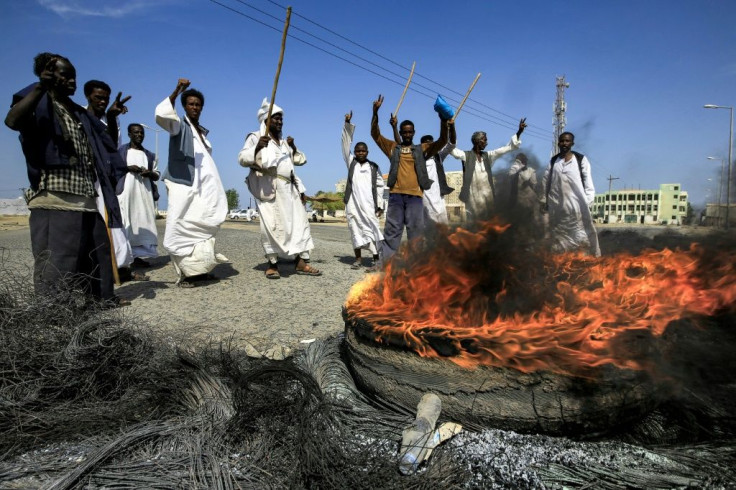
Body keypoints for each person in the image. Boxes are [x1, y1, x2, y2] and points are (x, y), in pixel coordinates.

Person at [5, 53, 129, 306]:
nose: (72, 81)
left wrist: (113, 118)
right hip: (56, 197)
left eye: (74, 76)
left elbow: (106, 143)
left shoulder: (77, 113)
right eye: (65, 75)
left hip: (85, 197)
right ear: (47, 74)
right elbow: (12, 121)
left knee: (96, 256)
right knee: (57, 260)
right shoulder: (38, 100)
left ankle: (99, 303)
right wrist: (41, 86)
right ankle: (54, 314)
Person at [155, 78, 229, 288]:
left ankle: (201, 270)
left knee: (204, 223)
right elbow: (162, 114)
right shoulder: (178, 125)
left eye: (198, 104)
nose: (195, 107)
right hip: (184, 184)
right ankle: (187, 274)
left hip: (204, 188)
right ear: (184, 106)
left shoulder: (202, 133)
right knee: (183, 223)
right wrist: (177, 90)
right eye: (191, 104)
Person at [238, 98, 321, 279]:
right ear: (265, 121)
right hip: (270, 188)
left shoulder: (284, 143)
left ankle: (301, 262)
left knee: (299, 225)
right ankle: (273, 264)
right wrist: (257, 148)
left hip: (290, 189)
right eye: (275, 118)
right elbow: (242, 158)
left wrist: (300, 190)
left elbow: (298, 161)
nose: (279, 122)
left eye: (281, 119)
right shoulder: (254, 137)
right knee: (272, 226)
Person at [370, 94, 449, 259]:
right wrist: (375, 113)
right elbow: (375, 135)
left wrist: (443, 119)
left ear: (413, 133)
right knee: (392, 231)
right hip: (396, 196)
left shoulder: (422, 149)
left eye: (409, 132)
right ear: (400, 132)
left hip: (415, 197)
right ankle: (388, 264)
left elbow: (442, 140)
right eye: (404, 133)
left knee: (415, 232)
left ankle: (415, 264)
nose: (407, 135)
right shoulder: (392, 148)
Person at [84, 79, 143, 281]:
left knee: (114, 223)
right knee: (97, 226)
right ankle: (103, 273)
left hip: (106, 180)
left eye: (105, 98)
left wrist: (110, 116)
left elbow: (110, 146)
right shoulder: (82, 116)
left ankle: (121, 268)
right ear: (88, 96)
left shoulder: (111, 120)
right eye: (98, 97)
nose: (102, 101)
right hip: (90, 179)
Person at [448, 119, 526, 220]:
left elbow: (507, 148)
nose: (487, 143)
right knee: (475, 226)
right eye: (484, 140)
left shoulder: (488, 156)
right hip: (473, 197)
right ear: (477, 141)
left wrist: (519, 132)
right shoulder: (466, 156)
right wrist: (451, 129)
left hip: (488, 195)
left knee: (488, 224)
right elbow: (452, 149)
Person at [540, 132, 600, 256]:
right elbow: (546, 182)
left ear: (572, 143)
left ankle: (587, 263)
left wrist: (586, 205)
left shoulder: (580, 160)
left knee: (582, 238)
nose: (564, 144)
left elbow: (589, 185)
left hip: (577, 210)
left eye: (567, 141)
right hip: (557, 210)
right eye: (562, 141)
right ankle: (562, 267)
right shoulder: (553, 161)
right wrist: (544, 201)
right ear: (558, 143)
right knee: (559, 240)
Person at [342, 110, 385, 271]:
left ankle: (375, 259)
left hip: (369, 205)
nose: (360, 153)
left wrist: (379, 205)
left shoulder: (374, 167)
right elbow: (345, 145)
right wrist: (347, 126)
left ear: (367, 152)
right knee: (355, 229)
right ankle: (358, 259)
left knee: (372, 230)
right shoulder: (351, 162)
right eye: (358, 150)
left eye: (363, 151)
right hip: (353, 203)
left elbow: (380, 187)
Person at [117, 123, 159, 267]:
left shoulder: (149, 155)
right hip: (126, 192)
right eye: (136, 132)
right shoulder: (121, 151)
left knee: (143, 221)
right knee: (127, 222)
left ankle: (137, 257)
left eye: (141, 133)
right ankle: (126, 258)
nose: (139, 135)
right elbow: (113, 169)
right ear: (129, 134)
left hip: (144, 193)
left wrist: (149, 173)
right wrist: (128, 168)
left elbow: (156, 175)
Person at [419, 133, 454, 225]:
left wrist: (451, 127)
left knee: (442, 221)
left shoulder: (438, 156)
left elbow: (450, 145)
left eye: (432, 144)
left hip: (439, 194)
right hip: (425, 195)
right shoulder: (418, 158)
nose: (430, 146)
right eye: (427, 144)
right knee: (430, 221)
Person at [507, 152, 540, 241]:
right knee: (520, 220)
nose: (522, 162)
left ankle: (533, 238)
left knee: (533, 218)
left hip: (530, 197)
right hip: (519, 198)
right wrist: (518, 167)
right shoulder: (514, 170)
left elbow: (534, 184)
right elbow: (511, 177)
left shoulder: (531, 170)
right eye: (518, 161)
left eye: (522, 160)